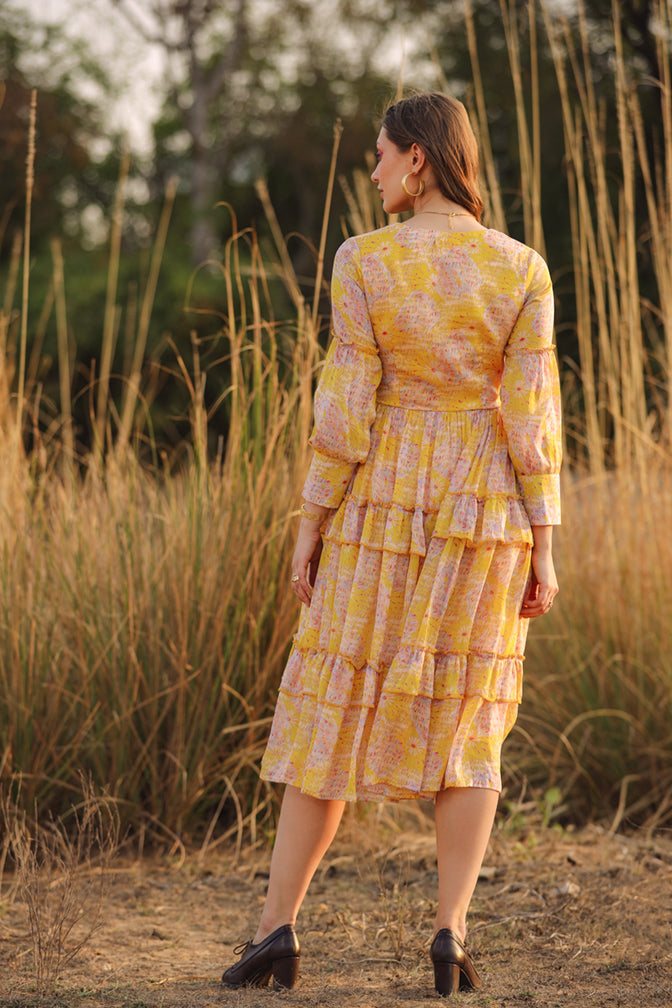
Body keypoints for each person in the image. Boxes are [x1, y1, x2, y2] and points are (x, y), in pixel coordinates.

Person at [221, 91, 561, 997]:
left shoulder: (363, 260)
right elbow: (532, 420)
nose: (369, 170)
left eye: (378, 154)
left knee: (332, 701)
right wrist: (546, 544)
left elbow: (342, 412)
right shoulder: (522, 268)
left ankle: (276, 932)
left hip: (383, 500)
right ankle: (449, 934)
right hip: (485, 511)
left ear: (418, 158)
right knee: (469, 720)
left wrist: (309, 525)